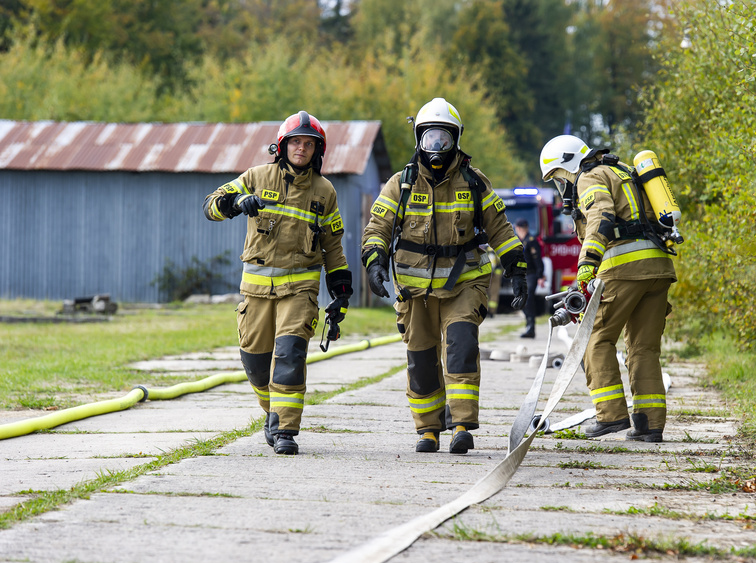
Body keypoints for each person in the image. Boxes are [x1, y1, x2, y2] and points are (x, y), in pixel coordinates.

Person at [361, 97, 528, 454]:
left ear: (456, 140)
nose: (436, 148)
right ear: (419, 141)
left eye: (444, 140)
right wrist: (374, 262)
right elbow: (377, 227)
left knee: (461, 346)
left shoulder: (474, 182)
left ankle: (463, 426)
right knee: (421, 359)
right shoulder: (400, 184)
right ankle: (429, 430)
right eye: (430, 139)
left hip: (464, 282)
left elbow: (500, 229)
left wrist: (518, 268)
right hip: (413, 289)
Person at [203, 111, 352, 455]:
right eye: (296, 142)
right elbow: (210, 206)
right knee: (256, 363)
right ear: (282, 146)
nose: (302, 149)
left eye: (309, 144)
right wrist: (237, 203)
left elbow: (333, 245)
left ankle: (286, 429)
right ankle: (272, 411)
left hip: (300, 291)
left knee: (290, 354)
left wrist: (341, 293)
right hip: (255, 291)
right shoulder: (256, 176)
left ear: (318, 150)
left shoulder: (325, 192)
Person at [539, 134, 676, 442]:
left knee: (594, 341)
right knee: (644, 349)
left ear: (568, 164)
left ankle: (610, 416)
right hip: (659, 268)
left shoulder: (589, 177)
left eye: (560, 179)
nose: (562, 188)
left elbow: (601, 217)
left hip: (624, 268)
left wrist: (587, 265)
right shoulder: (623, 170)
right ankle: (649, 424)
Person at [513, 218, 545, 338]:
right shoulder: (519, 241)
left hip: (531, 274)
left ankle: (531, 328)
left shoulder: (531, 241)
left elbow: (538, 260)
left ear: (520, 228)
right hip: (522, 275)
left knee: (528, 298)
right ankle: (528, 325)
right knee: (521, 300)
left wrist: (540, 276)